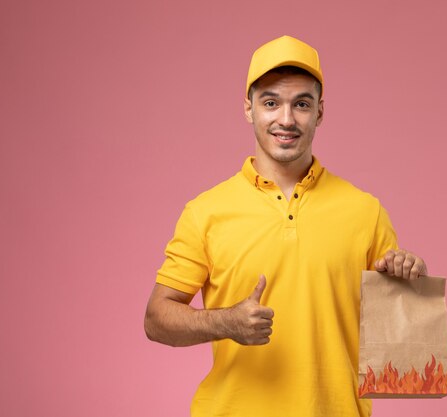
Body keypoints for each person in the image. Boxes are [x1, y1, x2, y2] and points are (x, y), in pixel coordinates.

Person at [144, 35, 428, 417]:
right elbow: (156, 320)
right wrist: (226, 322)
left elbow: (399, 347)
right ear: (249, 109)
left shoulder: (366, 211)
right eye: (271, 102)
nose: (286, 119)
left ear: (320, 112)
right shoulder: (205, 212)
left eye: (302, 104)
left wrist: (413, 288)